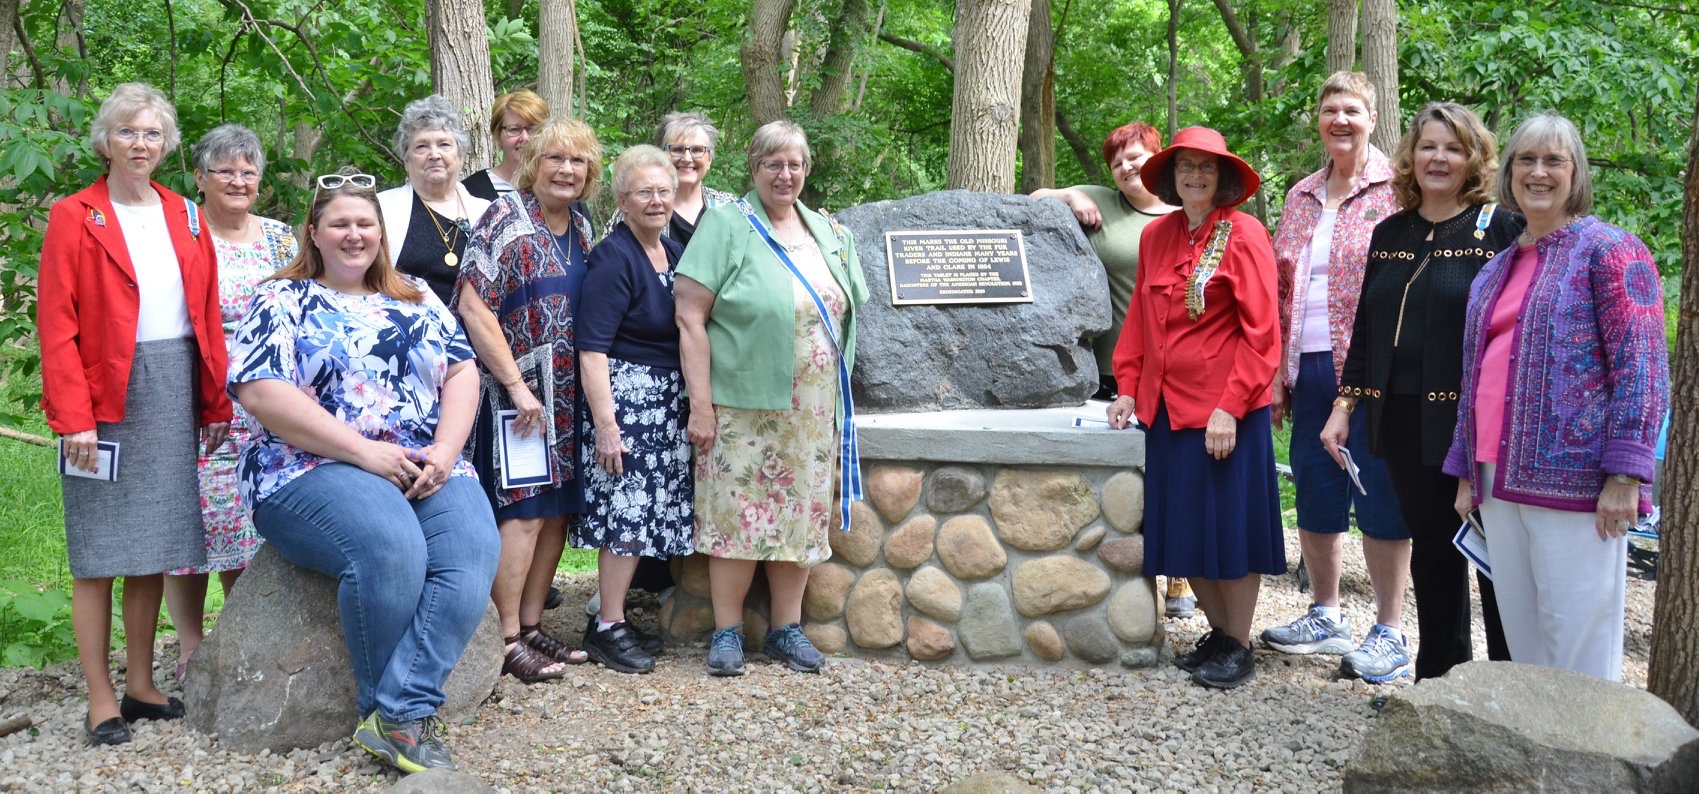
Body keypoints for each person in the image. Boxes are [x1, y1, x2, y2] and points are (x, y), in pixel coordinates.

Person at [230, 173, 499, 772]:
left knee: (475, 549)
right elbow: (261, 391)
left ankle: (396, 710)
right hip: (306, 466)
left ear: (381, 231)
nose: (355, 235)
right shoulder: (280, 298)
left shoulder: (418, 296)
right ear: (315, 234)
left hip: (422, 462)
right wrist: (362, 452)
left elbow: (461, 372)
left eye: (365, 223)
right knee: (391, 547)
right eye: (340, 224)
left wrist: (447, 452)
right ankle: (400, 719)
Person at [37, 82, 231, 746]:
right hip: (97, 395)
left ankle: (142, 685)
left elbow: (204, 315)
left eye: (151, 133)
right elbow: (56, 323)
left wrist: (213, 400)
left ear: (166, 143)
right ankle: (99, 698)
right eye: (128, 132)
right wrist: (74, 416)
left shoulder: (187, 214)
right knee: (97, 553)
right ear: (106, 140)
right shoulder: (74, 214)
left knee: (152, 547)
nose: (140, 144)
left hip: (173, 384)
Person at [1445, 112, 1668, 682]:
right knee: (1525, 643)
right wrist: (1467, 470)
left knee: (1579, 644)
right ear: (1509, 173)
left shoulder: (1612, 251)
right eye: (1526, 160)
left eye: (1553, 161)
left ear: (1577, 173)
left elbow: (1641, 365)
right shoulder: (1494, 269)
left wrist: (1626, 475)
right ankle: (1539, 767)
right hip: (1498, 477)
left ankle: (1596, 768)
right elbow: (1474, 376)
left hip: (1579, 483)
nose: (1538, 172)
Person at [1320, 103, 1517, 682]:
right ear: (1412, 155)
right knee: (1433, 552)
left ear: (1474, 159)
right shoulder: (1391, 231)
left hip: (1472, 423)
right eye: (1429, 146)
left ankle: (1510, 687)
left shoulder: (1498, 228)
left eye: (1454, 148)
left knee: (1493, 559)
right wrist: (1344, 405)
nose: (1439, 158)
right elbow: (1368, 330)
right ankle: (1439, 681)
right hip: (1401, 419)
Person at [675, 120, 869, 677]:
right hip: (742, 407)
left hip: (811, 411)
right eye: (773, 164)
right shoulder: (726, 225)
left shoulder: (829, 231)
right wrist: (701, 405)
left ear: (807, 170)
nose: (785, 175)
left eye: (795, 165)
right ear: (754, 167)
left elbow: (851, 311)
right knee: (736, 520)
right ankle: (728, 632)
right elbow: (689, 317)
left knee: (800, 520)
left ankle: (786, 629)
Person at [1106, 126, 1282, 689]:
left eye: (1207, 168)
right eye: (1186, 167)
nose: (1196, 176)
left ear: (1223, 175)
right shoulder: (1157, 237)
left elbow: (1262, 334)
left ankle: (1241, 642)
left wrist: (1230, 407)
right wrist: (1128, 387)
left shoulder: (1245, 234)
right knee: (1185, 531)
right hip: (1166, 412)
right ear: (1173, 174)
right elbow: (1138, 321)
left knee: (1230, 531)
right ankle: (1222, 635)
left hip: (1226, 414)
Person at [1262, 71, 1408, 665]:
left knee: (1377, 492)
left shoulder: (1397, 190)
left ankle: (1391, 628)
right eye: (1329, 110)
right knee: (1317, 487)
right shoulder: (1299, 196)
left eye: (1351, 109)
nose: (1339, 120)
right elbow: (1277, 289)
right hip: (1309, 365)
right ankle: (1325, 612)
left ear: (1372, 117)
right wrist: (1276, 373)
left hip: (1375, 367)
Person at [456, 117, 602, 681]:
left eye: (578, 161)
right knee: (523, 513)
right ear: (533, 163)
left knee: (558, 512)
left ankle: (534, 623)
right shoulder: (502, 218)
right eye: (555, 159)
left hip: (570, 399)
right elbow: (473, 306)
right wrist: (518, 387)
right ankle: (505, 635)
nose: (566, 170)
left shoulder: (584, 227)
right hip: (517, 398)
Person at [1032, 122, 1197, 619]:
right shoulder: (1103, 203)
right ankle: (1120, 580)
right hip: (1108, 372)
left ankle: (1179, 578)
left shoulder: (1184, 214)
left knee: (1170, 476)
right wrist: (1068, 195)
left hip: (1170, 374)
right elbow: (1036, 197)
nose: (1128, 166)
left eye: (1138, 156)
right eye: (1118, 160)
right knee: (1123, 482)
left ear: (1159, 158)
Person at [163, 124, 297, 682]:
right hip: (201, 394)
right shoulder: (182, 232)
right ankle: (191, 645)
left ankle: (246, 633)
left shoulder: (282, 239)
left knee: (254, 521)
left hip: (271, 400)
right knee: (197, 521)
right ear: (199, 177)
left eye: (248, 171)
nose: (238, 181)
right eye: (225, 171)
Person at [572, 145, 695, 674]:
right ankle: (607, 626)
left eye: (664, 191)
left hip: (664, 404)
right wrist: (606, 426)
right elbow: (592, 347)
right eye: (644, 192)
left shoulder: (672, 248)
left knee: (646, 512)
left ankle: (616, 618)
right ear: (622, 200)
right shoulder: (613, 257)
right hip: (626, 403)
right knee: (626, 512)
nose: (656, 201)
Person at [378, 95, 492, 305]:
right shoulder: (381, 209)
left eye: (444, 144)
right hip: (409, 332)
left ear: (461, 155)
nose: (434, 154)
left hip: (476, 334)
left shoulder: (488, 213)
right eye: (421, 146)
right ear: (406, 158)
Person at [605, 111, 737, 245]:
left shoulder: (729, 207)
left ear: (709, 159)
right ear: (661, 157)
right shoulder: (634, 209)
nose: (687, 158)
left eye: (697, 150)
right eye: (678, 149)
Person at [462, 89, 550, 202]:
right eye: (514, 129)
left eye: (533, 129)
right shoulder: (471, 191)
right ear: (498, 135)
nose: (525, 137)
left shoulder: (558, 187)